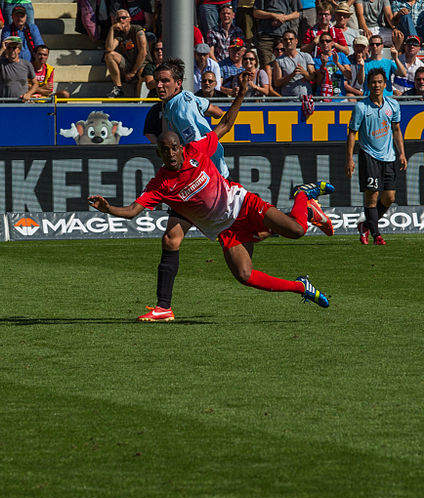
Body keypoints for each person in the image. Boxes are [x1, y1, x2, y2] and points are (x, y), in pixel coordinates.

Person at [89, 71, 333, 320]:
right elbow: (132, 211)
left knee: (297, 231)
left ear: (180, 147)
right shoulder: (160, 183)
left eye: (174, 148)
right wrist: (108, 208)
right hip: (225, 229)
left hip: (243, 204)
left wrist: (241, 94)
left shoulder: (196, 148)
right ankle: (301, 286)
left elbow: (225, 124)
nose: (171, 154)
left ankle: (302, 196)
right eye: (165, 151)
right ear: (159, 155)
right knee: (244, 275)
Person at [138, 57, 227, 322]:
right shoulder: (187, 97)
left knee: (242, 239)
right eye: (158, 80)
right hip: (209, 178)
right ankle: (163, 307)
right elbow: (214, 109)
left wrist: (185, 172)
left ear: (177, 84)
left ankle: (300, 212)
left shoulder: (178, 110)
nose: (160, 85)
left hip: (204, 183)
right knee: (172, 238)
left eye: (166, 81)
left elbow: (198, 146)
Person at [346, 68, 407, 245]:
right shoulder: (361, 107)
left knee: (389, 197)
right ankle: (375, 235)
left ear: (385, 84)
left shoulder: (393, 105)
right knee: (371, 196)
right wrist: (349, 158)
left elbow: (396, 130)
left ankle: (366, 225)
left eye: (380, 82)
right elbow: (352, 133)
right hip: (369, 155)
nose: (377, 85)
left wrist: (401, 153)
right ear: (369, 85)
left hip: (389, 157)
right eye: (373, 82)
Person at [104, 9, 148, 98]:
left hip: (142, 64)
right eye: (118, 19)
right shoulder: (119, 34)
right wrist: (112, 29)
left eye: (124, 18)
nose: (121, 20)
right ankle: (118, 88)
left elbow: (143, 52)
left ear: (129, 19)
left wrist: (133, 72)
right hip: (128, 64)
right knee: (109, 55)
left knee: (142, 73)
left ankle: (139, 100)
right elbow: (109, 48)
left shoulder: (137, 30)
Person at [0, 35, 38, 101]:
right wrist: (2, 49)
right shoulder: (2, 63)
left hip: (21, 102)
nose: (11, 50)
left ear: (19, 50)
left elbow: (35, 83)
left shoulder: (27, 65)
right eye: (9, 48)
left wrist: (29, 94)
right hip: (4, 103)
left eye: (14, 48)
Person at [253, 0, 300, 70]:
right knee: (266, 66)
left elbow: (297, 13)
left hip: (284, 35)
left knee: (286, 65)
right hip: (265, 35)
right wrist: (273, 15)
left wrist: (283, 18)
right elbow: (256, 13)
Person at [272, 30, 315, 97]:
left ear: (296, 41)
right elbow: (277, 83)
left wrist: (304, 73)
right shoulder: (278, 61)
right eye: (285, 40)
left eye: (291, 39)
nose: (288, 41)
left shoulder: (306, 56)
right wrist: (292, 75)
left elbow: (313, 77)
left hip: (306, 98)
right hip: (289, 100)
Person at [313, 31, 351, 98]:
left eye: (327, 41)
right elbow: (318, 81)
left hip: (340, 97)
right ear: (319, 44)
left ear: (332, 43)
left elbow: (349, 75)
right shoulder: (316, 60)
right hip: (323, 97)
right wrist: (323, 65)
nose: (325, 43)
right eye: (322, 41)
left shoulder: (341, 56)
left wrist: (337, 63)